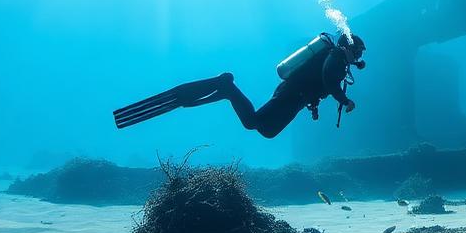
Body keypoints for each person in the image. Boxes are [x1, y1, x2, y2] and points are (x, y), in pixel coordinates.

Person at [113, 33, 366, 139]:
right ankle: (226, 87)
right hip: (292, 94)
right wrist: (345, 100)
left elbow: (321, 82)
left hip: (295, 96)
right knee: (255, 124)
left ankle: (226, 90)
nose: (359, 57)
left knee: (266, 129)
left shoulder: (335, 59)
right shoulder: (335, 58)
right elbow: (328, 80)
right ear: (350, 47)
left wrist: (314, 105)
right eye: (359, 51)